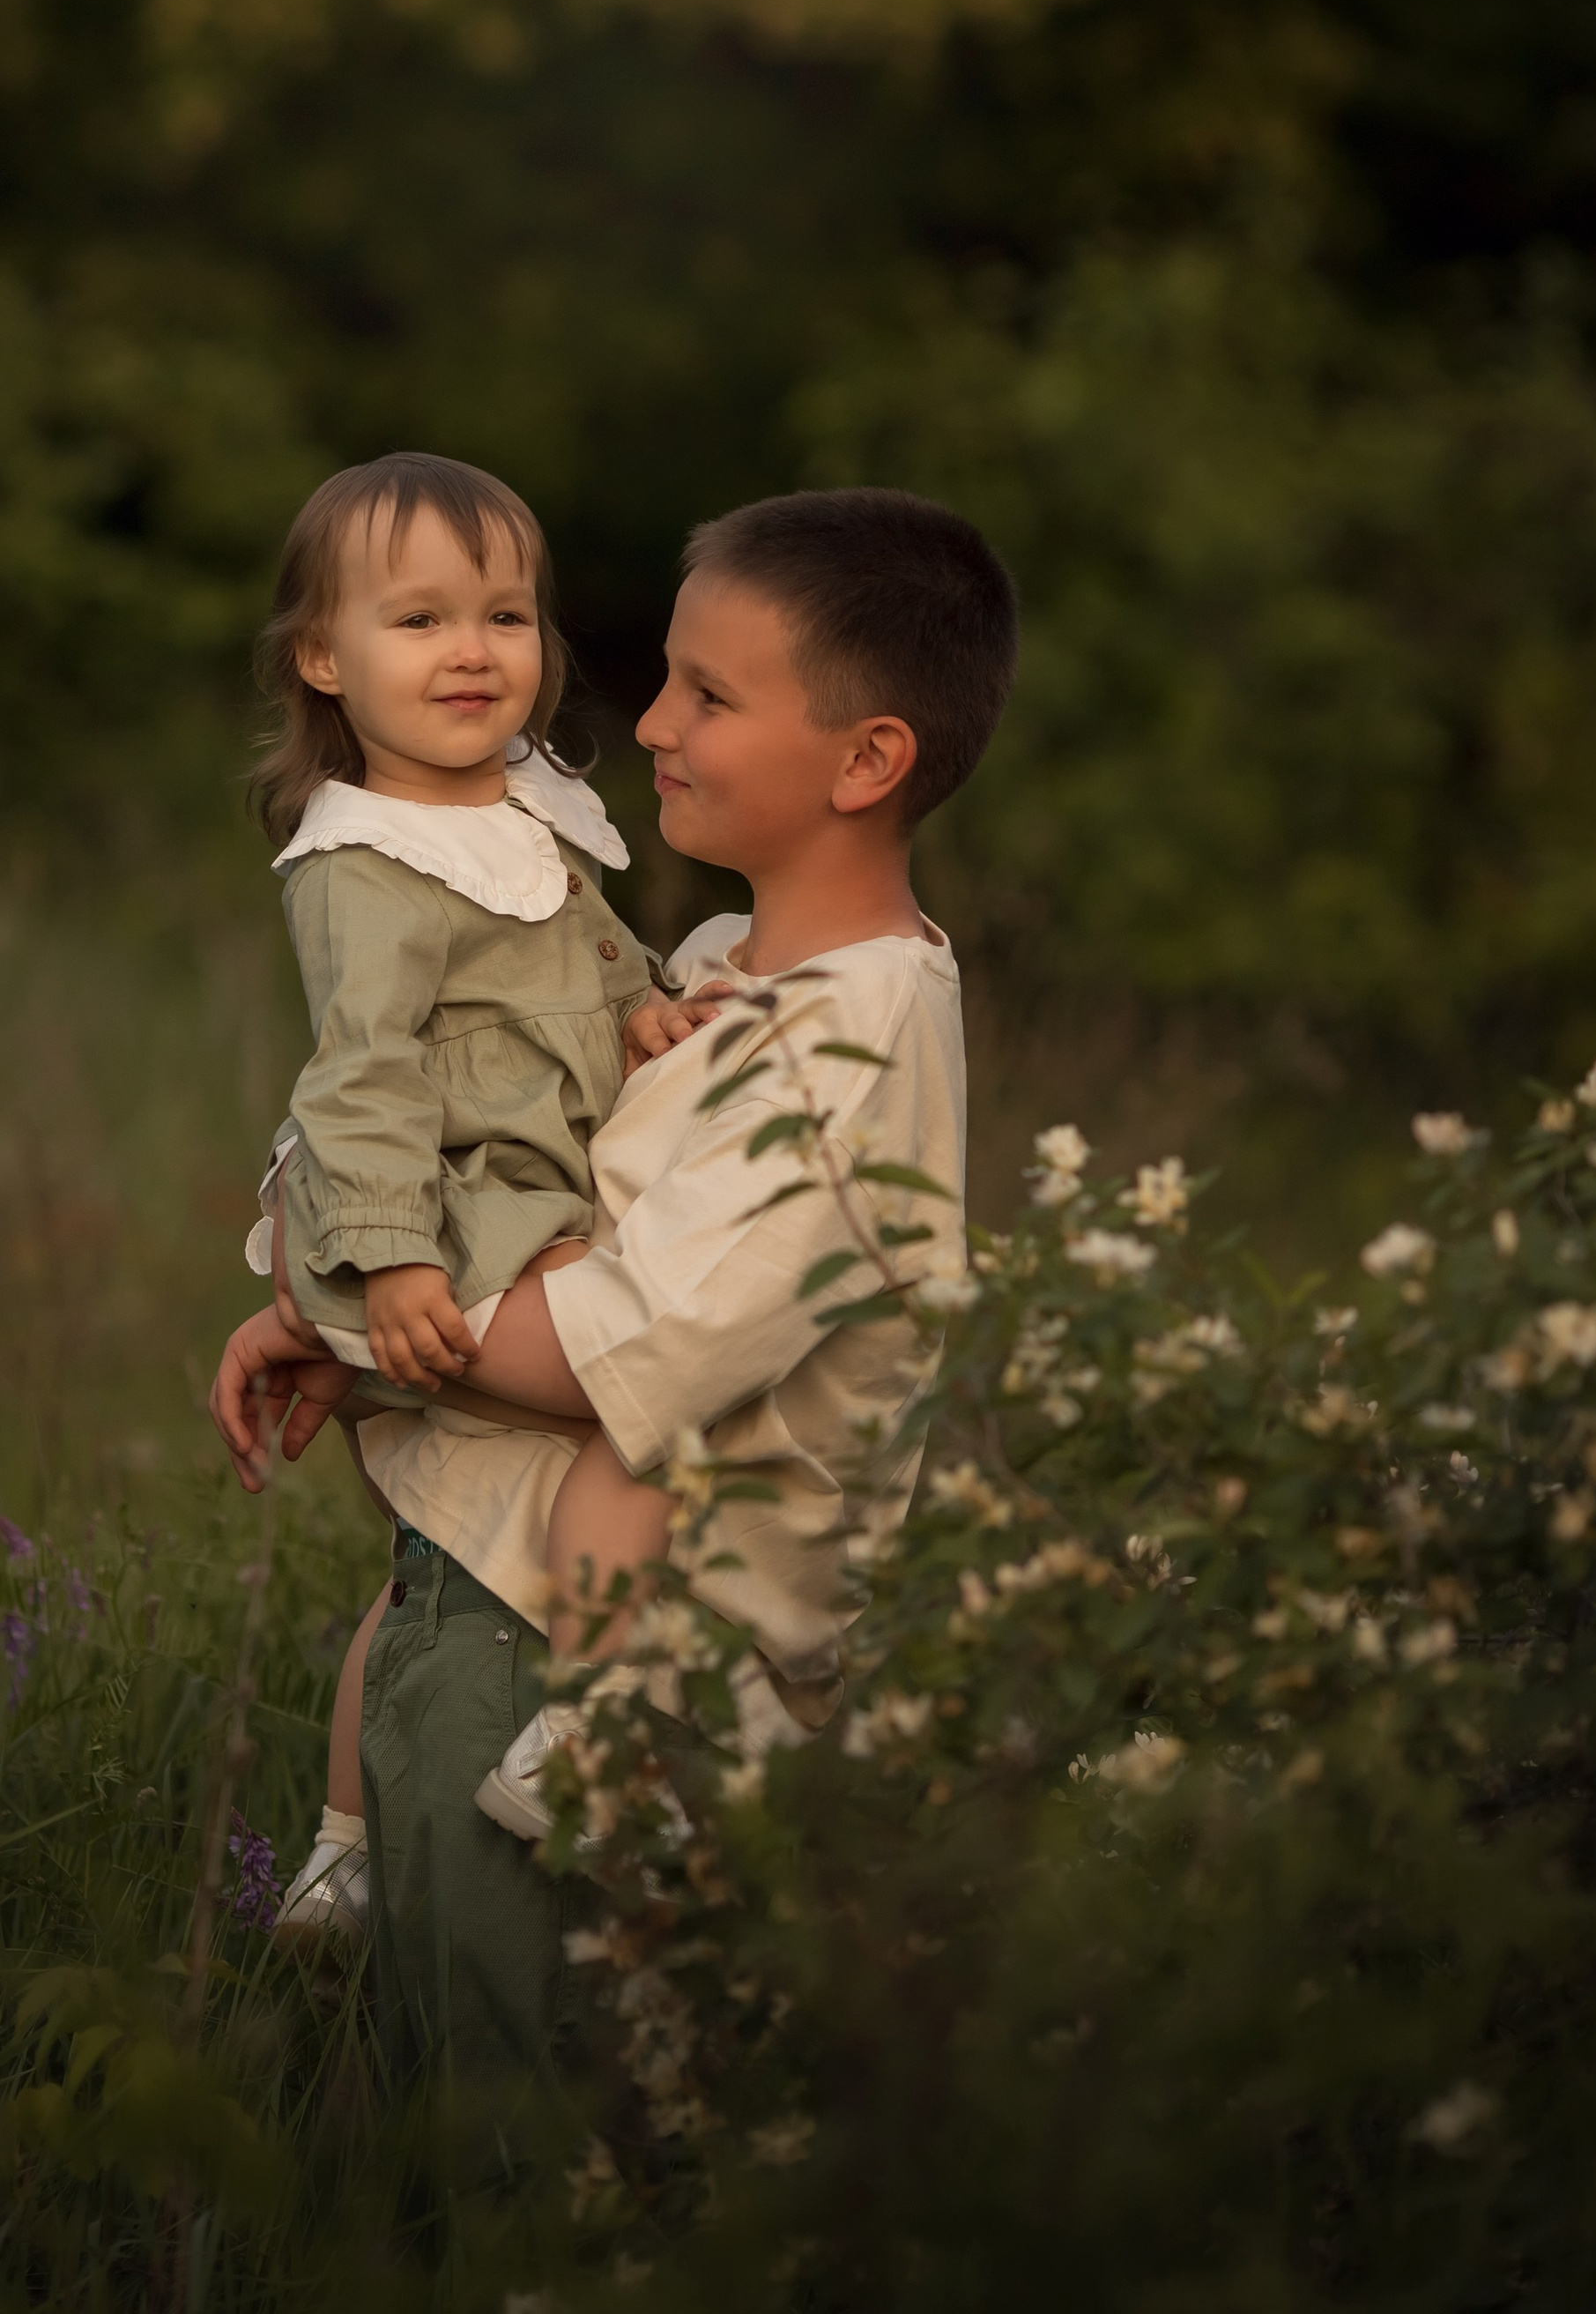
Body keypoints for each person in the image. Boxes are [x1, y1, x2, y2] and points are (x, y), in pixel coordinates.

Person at [213, 484, 1019, 2102]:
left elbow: (616, 1354)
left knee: (556, 2146)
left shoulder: (843, 1045)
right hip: (497, 1591)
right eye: (660, 674)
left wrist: (349, 1323)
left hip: (578, 1662)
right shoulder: (728, 968)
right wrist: (344, 1307)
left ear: (867, 761)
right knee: (494, 2114)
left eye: (707, 695)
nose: (644, 721)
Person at [237, 450, 715, 1940]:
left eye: (505, 617)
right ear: (325, 658)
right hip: (457, 1214)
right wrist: (387, 1265)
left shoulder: (527, 799)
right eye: (420, 620)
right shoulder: (364, 862)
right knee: (657, 1408)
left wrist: (641, 1003)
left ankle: (344, 1849)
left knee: (438, 1548)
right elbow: (362, 1085)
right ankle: (584, 1727)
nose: (472, 652)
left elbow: (583, 953)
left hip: (522, 1183)